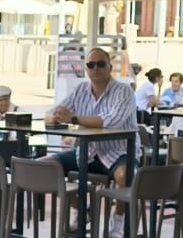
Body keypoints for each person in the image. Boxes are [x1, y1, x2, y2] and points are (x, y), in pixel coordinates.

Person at [47, 46, 138, 190]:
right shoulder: (80, 89)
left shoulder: (124, 91)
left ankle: (119, 213)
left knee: (124, 176)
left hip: (119, 152)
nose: (95, 68)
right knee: (42, 166)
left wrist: (74, 119)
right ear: (86, 69)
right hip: (86, 152)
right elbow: (52, 112)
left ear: (110, 67)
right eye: (91, 65)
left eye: (101, 64)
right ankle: (79, 208)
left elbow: (112, 122)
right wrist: (54, 117)